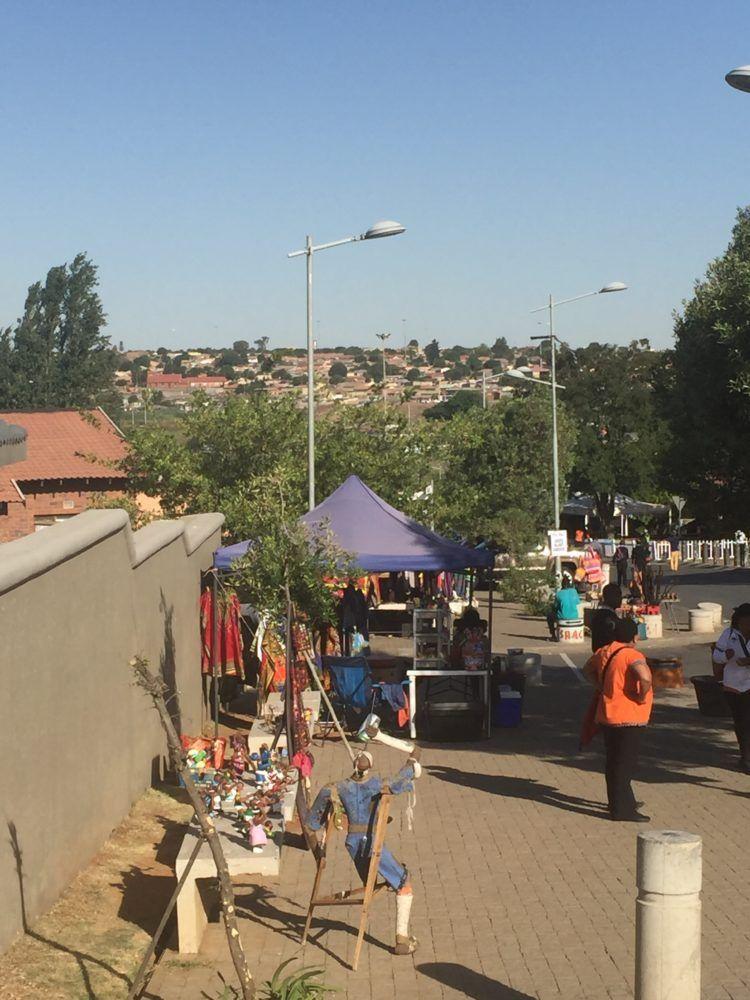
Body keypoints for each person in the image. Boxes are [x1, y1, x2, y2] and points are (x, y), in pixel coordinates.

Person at [302, 749, 421, 954]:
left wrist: (318, 854)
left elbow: (311, 823)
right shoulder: (375, 785)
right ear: (370, 767)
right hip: (372, 844)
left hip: (353, 844)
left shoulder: (336, 788)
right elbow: (398, 780)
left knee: (371, 885)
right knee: (403, 882)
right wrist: (412, 763)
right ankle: (402, 938)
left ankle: (381, 881)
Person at [583, 617, 653, 821]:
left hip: (607, 715)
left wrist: (600, 686)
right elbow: (645, 677)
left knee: (613, 761)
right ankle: (622, 809)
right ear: (633, 636)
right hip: (630, 717)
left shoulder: (604, 651)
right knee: (625, 764)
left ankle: (620, 801)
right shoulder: (632, 655)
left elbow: (587, 670)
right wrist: (641, 695)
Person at [712, 603, 750, 773]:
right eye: (744, 623)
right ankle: (745, 757)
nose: (746, 626)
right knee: (741, 722)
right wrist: (725, 656)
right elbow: (717, 656)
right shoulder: (729, 634)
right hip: (733, 685)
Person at [546, 577, 581, 642]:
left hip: (563, 617)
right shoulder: (574, 591)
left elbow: (555, 607)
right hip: (574, 616)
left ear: (562, 585)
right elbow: (578, 602)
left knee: (549, 616)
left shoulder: (559, 594)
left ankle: (553, 635)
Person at [590, 583, 622, 652]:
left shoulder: (598, 615)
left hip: (598, 655)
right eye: (618, 596)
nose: (620, 599)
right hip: (609, 655)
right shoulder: (610, 618)